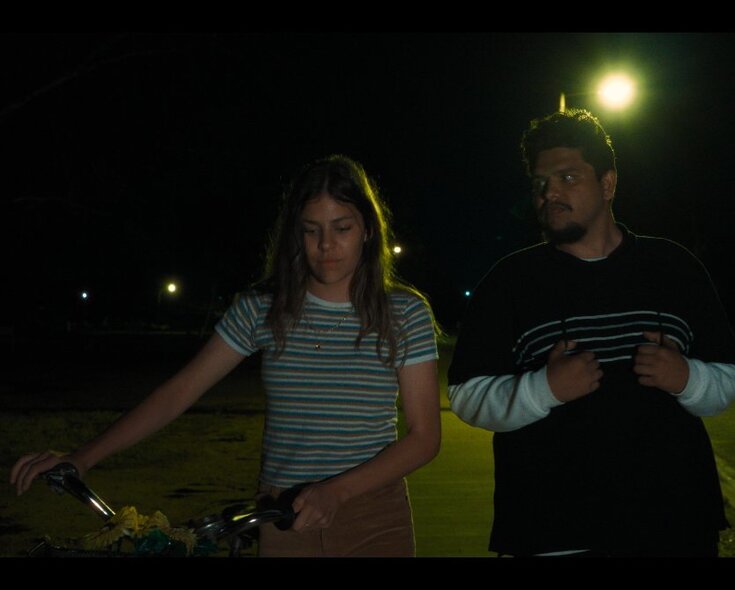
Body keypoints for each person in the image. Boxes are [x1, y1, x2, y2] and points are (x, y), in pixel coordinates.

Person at [11, 154, 441, 557]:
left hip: (374, 515)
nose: (326, 244)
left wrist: (339, 491)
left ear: (368, 228)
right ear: (296, 233)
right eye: (312, 229)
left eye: (341, 227)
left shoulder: (403, 313)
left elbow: (424, 436)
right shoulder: (262, 308)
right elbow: (178, 392)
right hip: (283, 515)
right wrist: (83, 457)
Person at [447, 110, 735, 557]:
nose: (549, 193)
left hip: (676, 525)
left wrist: (687, 378)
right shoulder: (510, 280)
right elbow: (465, 395)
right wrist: (541, 388)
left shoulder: (673, 266)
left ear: (608, 184)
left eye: (567, 177)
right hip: (551, 530)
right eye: (540, 183)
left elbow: (732, 376)